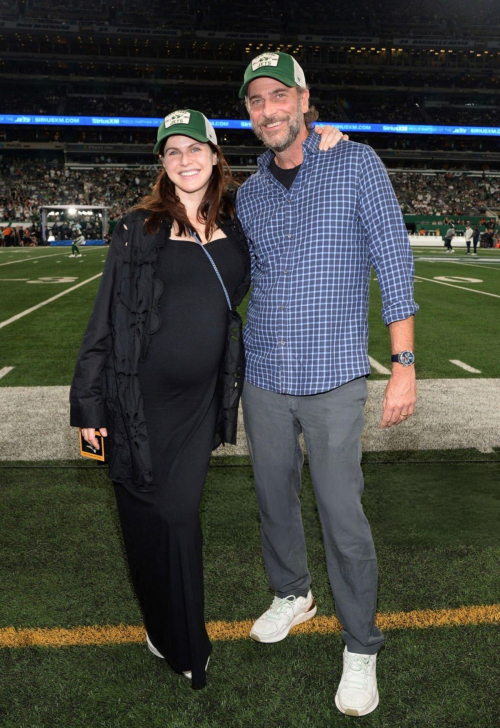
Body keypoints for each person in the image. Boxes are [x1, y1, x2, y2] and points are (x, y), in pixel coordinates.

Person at [70, 109, 343, 688]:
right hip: (134, 400)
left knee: (176, 514)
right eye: (173, 152)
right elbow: (104, 322)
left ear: (216, 155)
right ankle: (158, 624)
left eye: (197, 149)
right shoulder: (136, 227)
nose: (186, 160)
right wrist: (89, 404)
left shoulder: (242, 218)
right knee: (141, 520)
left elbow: (291, 177)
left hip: (197, 405)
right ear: (163, 164)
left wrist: (325, 144)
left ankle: (186, 643)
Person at [236, 52, 418, 718]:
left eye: (278, 95)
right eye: (256, 100)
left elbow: (394, 263)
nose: (268, 109)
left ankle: (361, 645)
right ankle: (293, 593)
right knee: (271, 496)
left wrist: (403, 365)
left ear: (304, 99)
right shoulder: (250, 191)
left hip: (334, 376)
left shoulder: (356, 163)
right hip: (265, 375)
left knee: (343, 518)